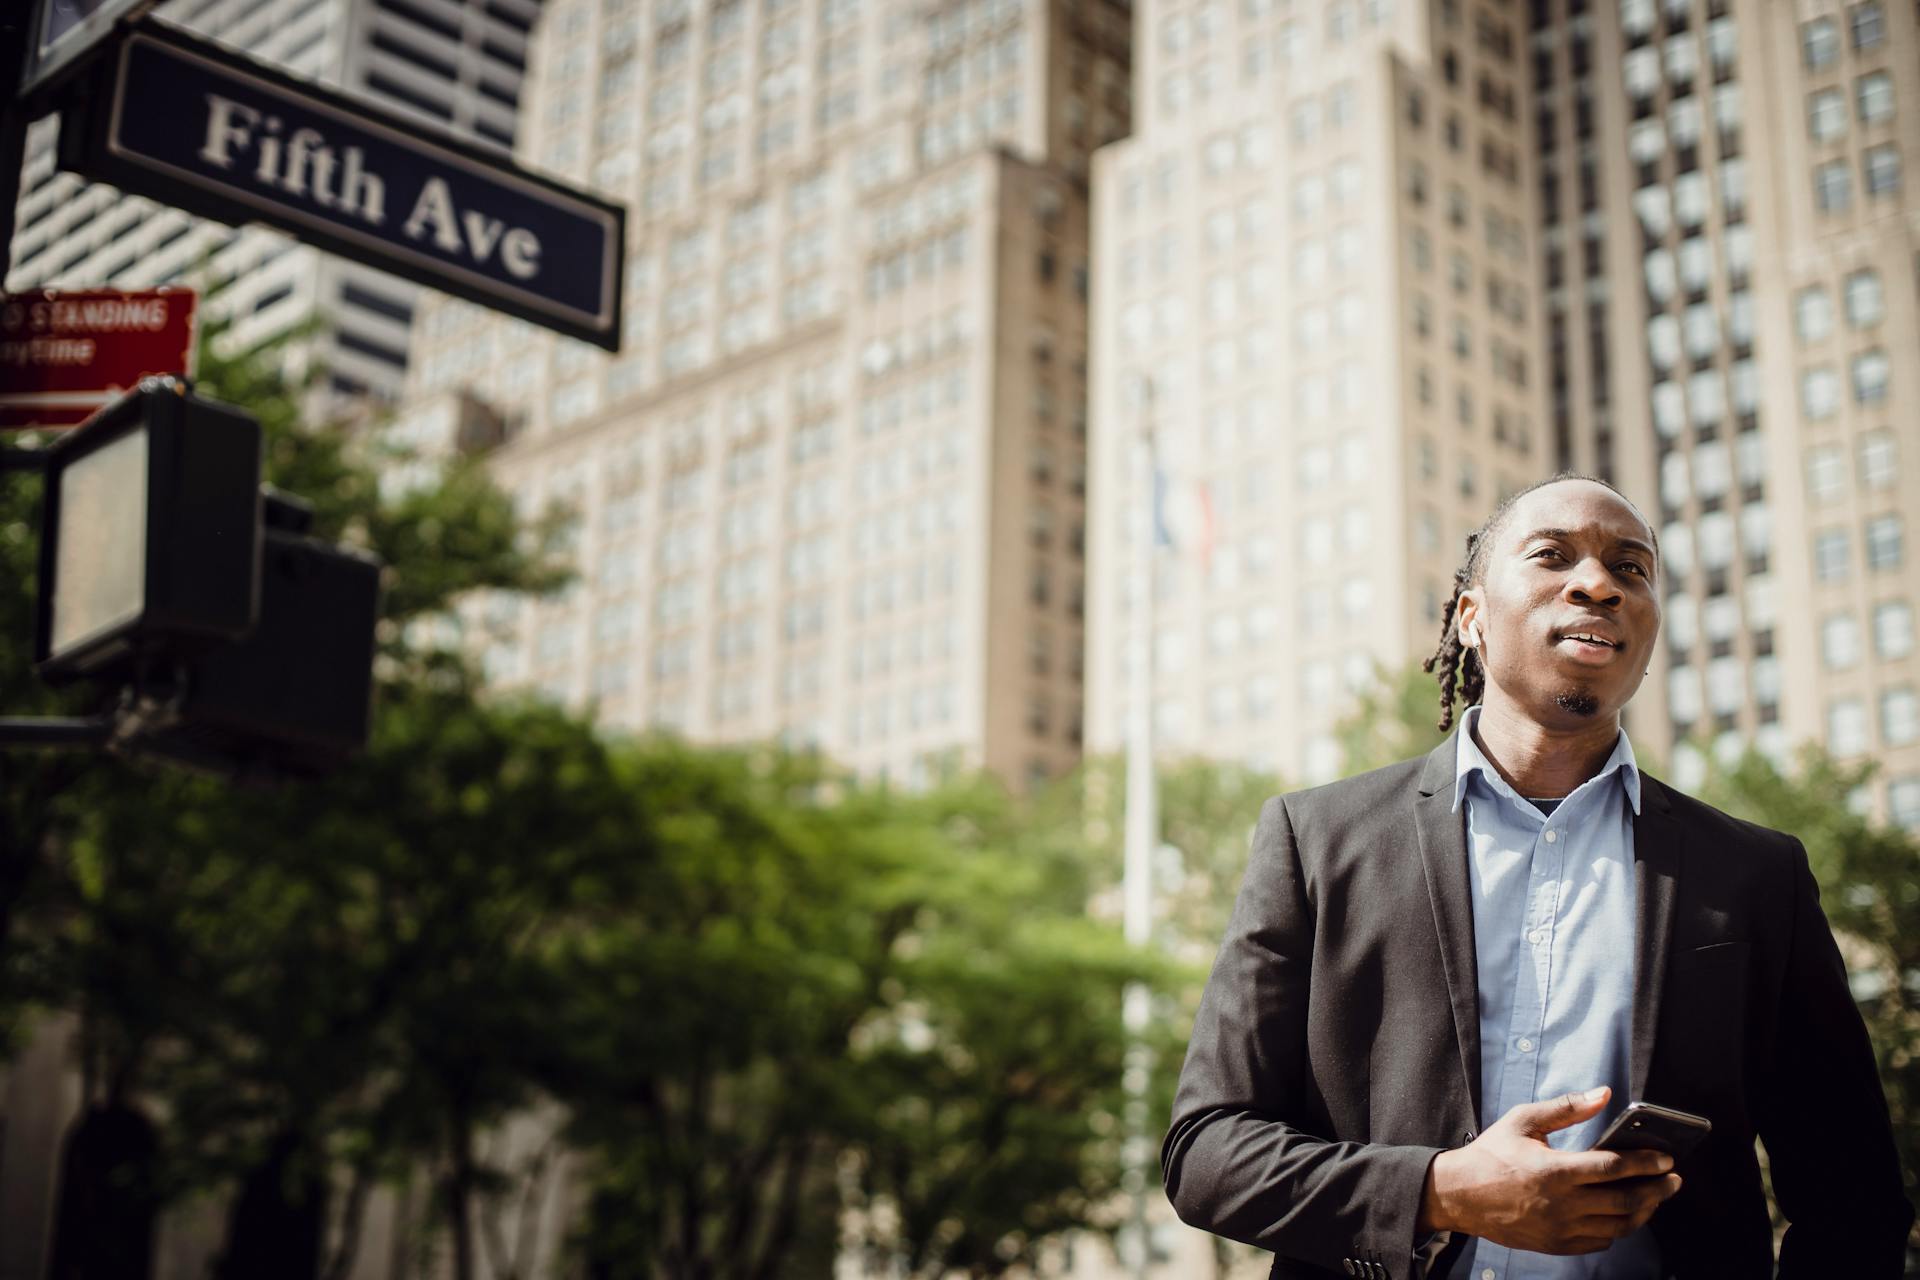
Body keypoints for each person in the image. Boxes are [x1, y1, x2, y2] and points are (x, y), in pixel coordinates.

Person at [1162, 474, 1912, 1278]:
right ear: (1472, 618)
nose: (1598, 583)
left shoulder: (1757, 875)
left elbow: (1853, 1197)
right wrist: (1438, 1190)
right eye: (1553, 556)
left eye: (1631, 569)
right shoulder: (1316, 841)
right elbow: (1208, 1153)